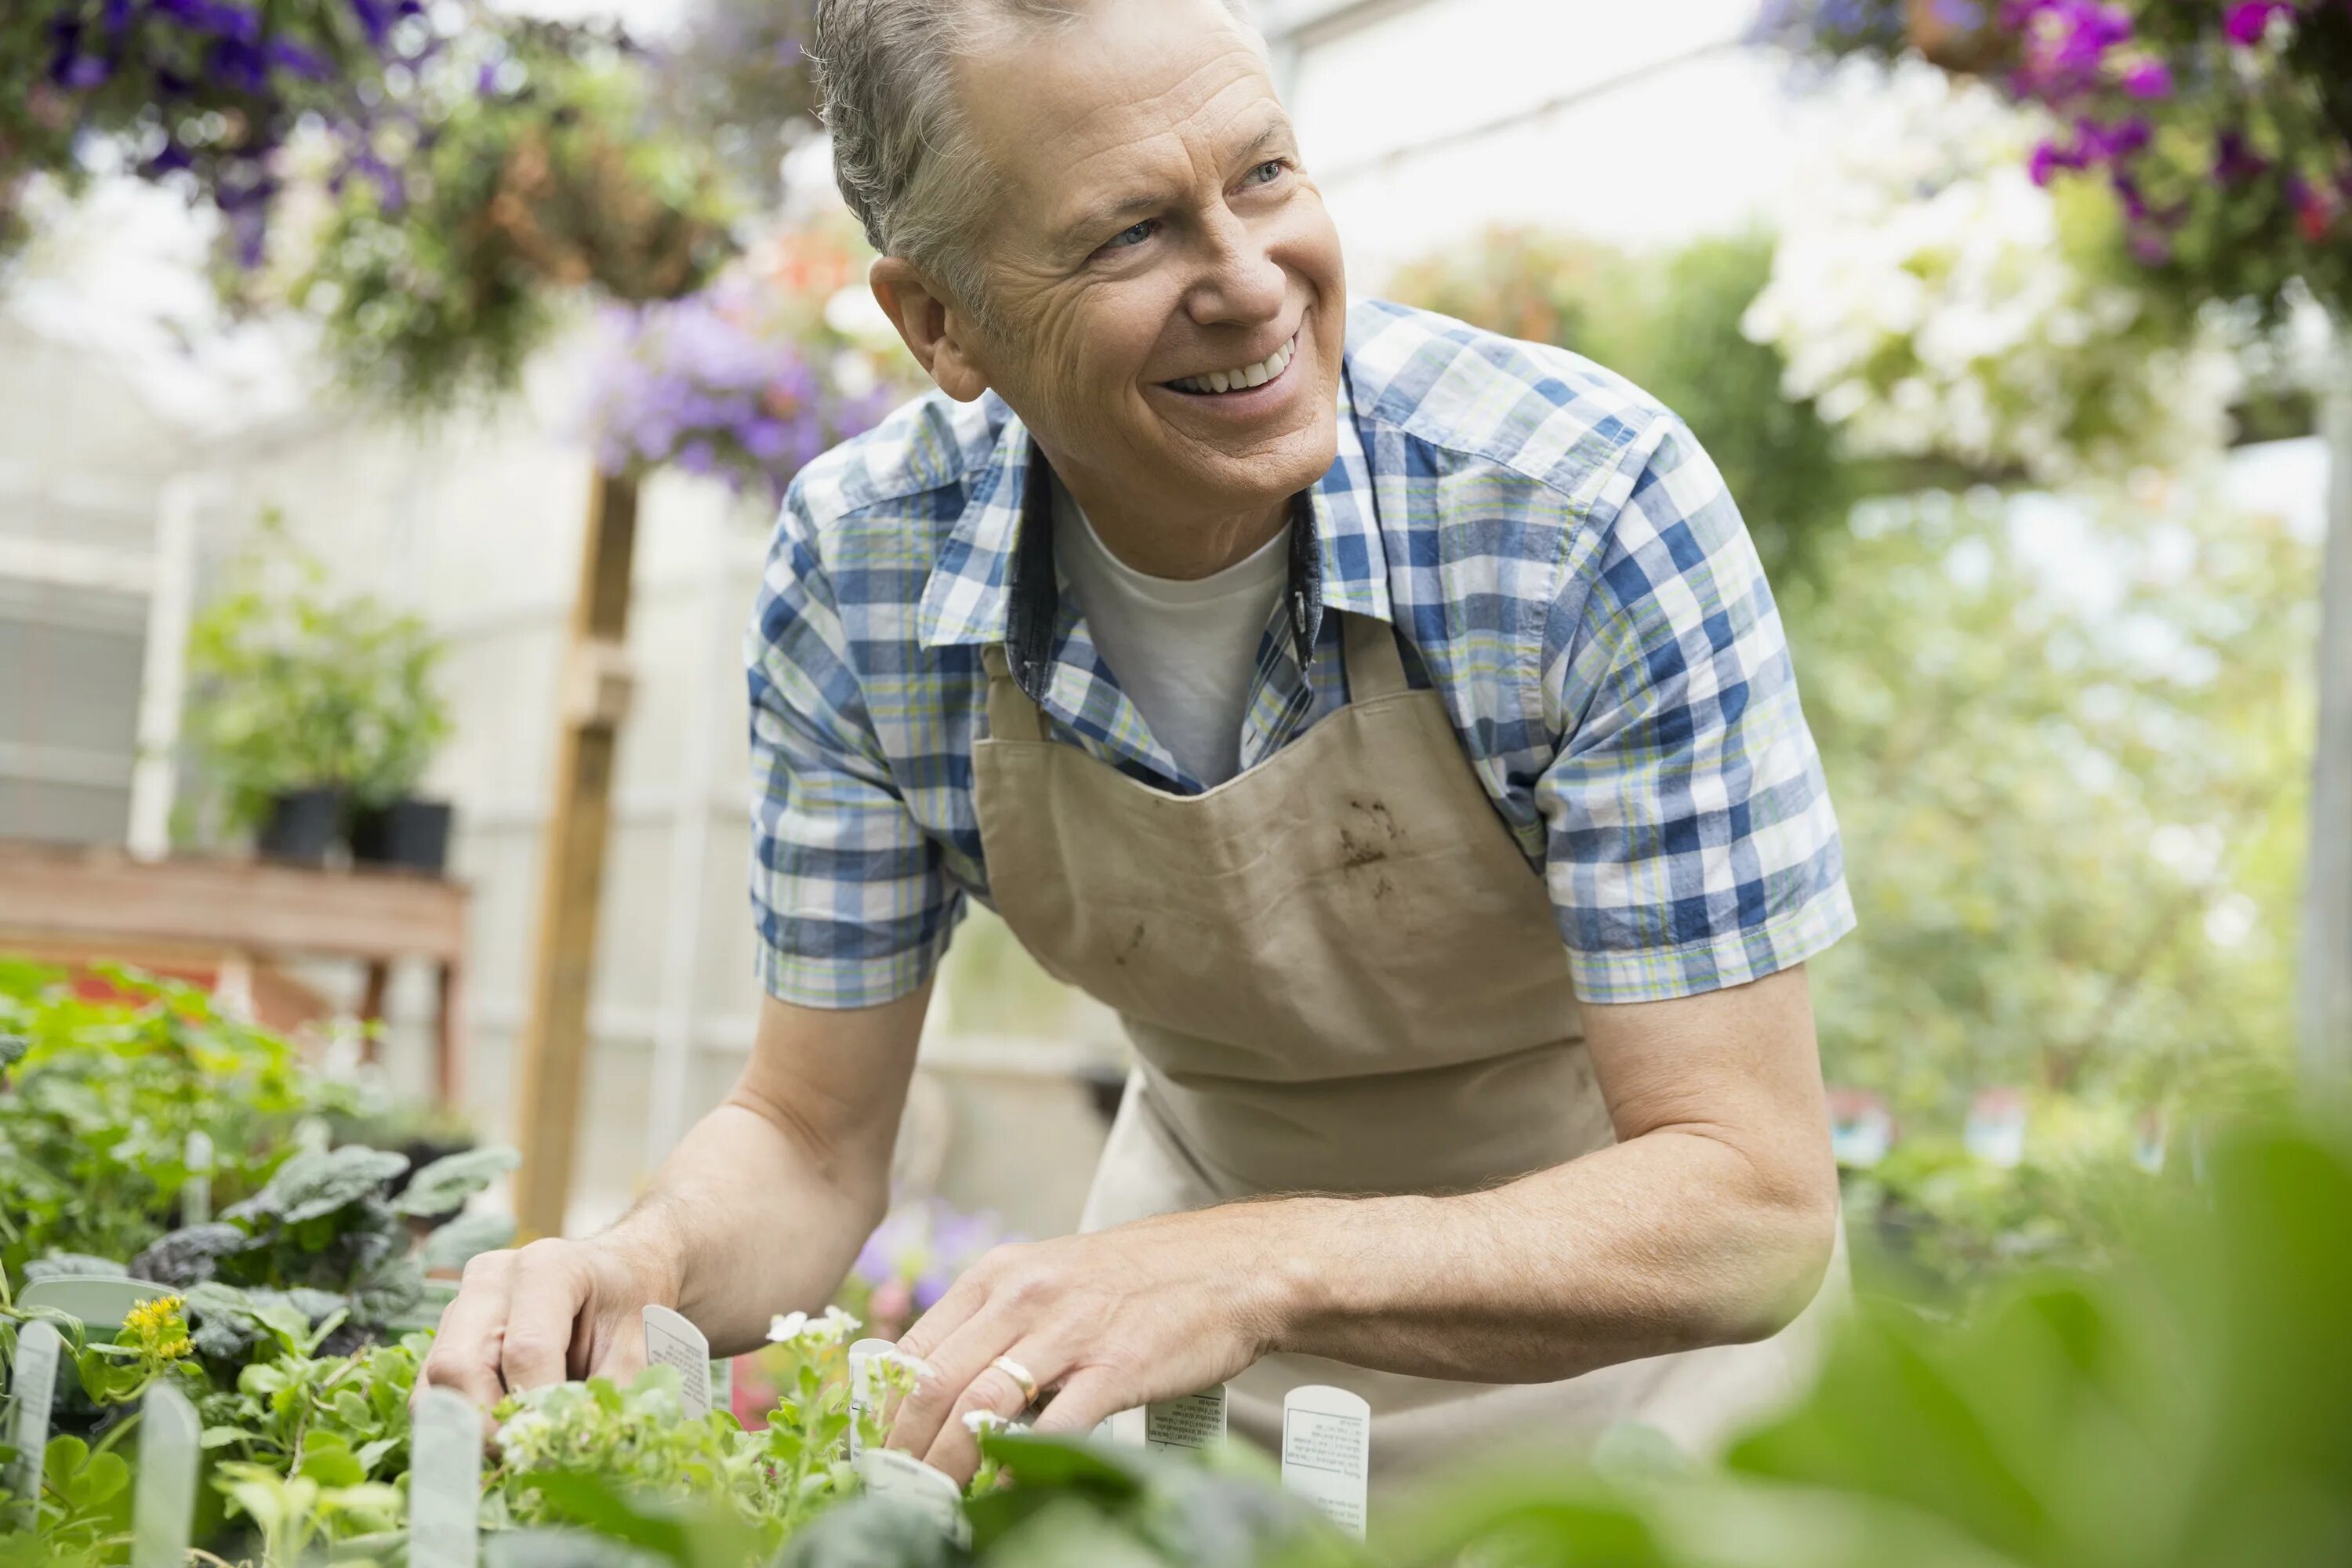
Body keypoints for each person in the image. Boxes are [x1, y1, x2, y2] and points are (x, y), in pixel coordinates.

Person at [424, 0, 1857, 1484]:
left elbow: (1748, 1206)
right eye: (1131, 234)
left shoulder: (1575, 516)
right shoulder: (865, 577)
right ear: (941, 322)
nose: (1250, 283)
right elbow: (810, 1136)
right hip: (1184, 1379)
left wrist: (1254, 1268)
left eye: (1265, 177)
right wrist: (636, 1263)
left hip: (1634, 1392)